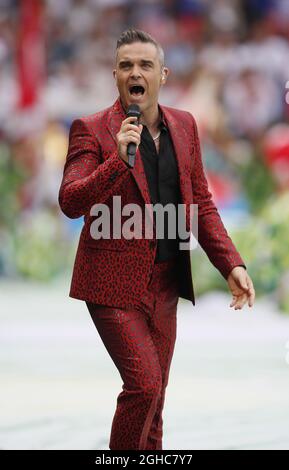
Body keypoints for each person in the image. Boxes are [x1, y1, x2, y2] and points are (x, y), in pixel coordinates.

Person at [58, 28, 255, 450]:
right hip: (111, 285)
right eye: (126, 64)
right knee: (144, 387)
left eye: (145, 64)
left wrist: (231, 264)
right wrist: (116, 159)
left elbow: (201, 202)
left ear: (162, 74)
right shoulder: (91, 129)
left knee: (157, 396)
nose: (135, 71)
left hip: (165, 283)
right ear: (114, 75)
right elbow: (71, 202)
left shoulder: (184, 126)